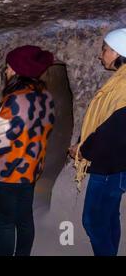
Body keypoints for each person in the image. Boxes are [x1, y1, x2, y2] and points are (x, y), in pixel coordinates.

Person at [0, 45, 55, 256]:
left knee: (6, 224)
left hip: (7, 173)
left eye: (9, 67)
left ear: (18, 71)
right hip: (29, 171)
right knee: (25, 220)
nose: (6, 71)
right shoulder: (46, 97)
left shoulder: (15, 99)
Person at [69, 28, 126, 256]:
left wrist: (83, 150)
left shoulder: (123, 86)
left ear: (117, 52)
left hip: (109, 167)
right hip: (117, 165)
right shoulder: (120, 82)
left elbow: (114, 129)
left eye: (104, 50)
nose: (100, 54)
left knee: (92, 220)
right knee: (110, 216)